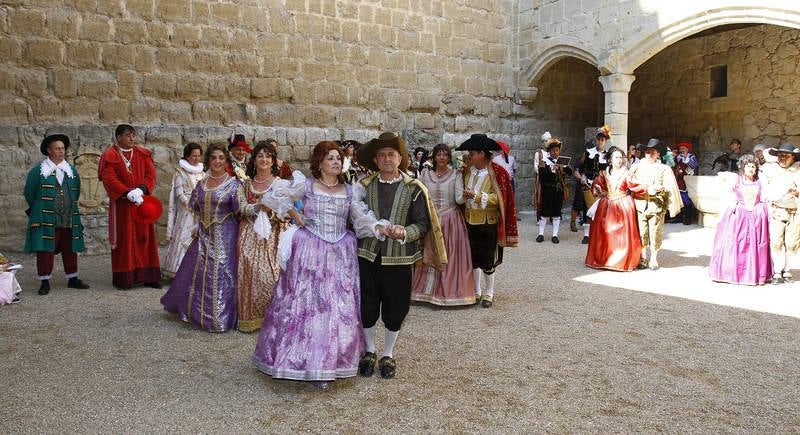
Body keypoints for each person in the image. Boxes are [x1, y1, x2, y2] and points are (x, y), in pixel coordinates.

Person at [252, 141, 381, 388]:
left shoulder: (351, 190)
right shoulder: (307, 185)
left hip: (340, 251)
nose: (335, 162)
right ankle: (299, 361)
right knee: (303, 305)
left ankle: (331, 362)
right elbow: (276, 196)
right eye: (330, 157)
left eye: (338, 158)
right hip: (309, 249)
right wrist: (296, 216)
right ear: (319, 161)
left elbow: (361, 218)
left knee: (336, 306)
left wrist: (379, 227)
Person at [355, 132, 446, 379]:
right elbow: (352, 217)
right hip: (367, 255)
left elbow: (422, 224)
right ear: (375, 159)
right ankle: (370, 350)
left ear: (400, 158)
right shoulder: (363, 186)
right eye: (382, 155)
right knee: (368, 304)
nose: (387, 158)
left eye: (392, 154)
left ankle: (388, 353)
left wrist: (405, 232)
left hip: (400, 259)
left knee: (396, 308)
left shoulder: (414, 188)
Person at [160, 144, 244, 332]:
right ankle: (197, 314)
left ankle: (221, 318)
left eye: (221, 158)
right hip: (204, 234)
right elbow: (194, 206)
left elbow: (241, 210)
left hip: (226, 235)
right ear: (209, 161)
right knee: (199, 272)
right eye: (214, 158)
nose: (217, 161)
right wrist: (199, 224)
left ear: (226, 161)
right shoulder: (201, 184)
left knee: (222, 273)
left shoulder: (234, 184)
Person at [457, 134, 518, 307]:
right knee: (473, 259)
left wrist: (476, 196)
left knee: (487, 260)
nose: (469, 155)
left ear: (482, 154)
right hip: (469, 220)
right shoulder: (467, 170)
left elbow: (500, 199)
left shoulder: (498, 172)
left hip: (487, 222)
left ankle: (489, 293)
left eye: (473, 152)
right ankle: (476, 291)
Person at [24, 134, 90, 295]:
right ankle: (45, 281)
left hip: (68, 216)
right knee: (45, 249)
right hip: (46, 218)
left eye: (63, 148)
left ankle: (72, 278)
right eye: (57, 148)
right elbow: (29, 193)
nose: (61, 151)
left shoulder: (72, 171)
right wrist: (41, 209)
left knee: (70, 248)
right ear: (49, 151)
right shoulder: (37, 172)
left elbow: (76, 192)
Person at [411, 143, 475, 306]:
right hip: (432, 219)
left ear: (449, 157)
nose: (441, 157)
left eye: (445, 154)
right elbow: (420, 196)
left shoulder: (456, 174)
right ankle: (425, 292)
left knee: (450, 254)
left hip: (450, 219)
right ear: (434, 157)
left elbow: (458, 198)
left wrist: (466, 196)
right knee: (430, 251)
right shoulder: (425, 174)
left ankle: (449, 293)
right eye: (439, 154)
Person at [98, 124, 161, 289]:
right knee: (125, 240)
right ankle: (125, 278)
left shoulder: (142, 153)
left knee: (145, 238)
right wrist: (126, 192)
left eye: (133, 135)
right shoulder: (110, 155)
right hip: (123, 206)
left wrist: (142, 189)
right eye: (128, 135)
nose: (132, 138)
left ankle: (149, 276)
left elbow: (151, 174)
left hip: (142, 203)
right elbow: (109, 178)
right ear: (118, 137)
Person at [236, 141, 288, 332]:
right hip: (249, 233)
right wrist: (257, 207)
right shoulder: (245, 183)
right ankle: (250, 319)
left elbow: (286, 210)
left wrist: (272, 212)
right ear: (254, 159)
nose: (264, 159)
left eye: (268, 156)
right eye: (260, 155)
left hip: (273, 234)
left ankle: (273, 318)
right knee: (249, 274)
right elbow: (241, 207)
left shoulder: (280, 183)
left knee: (272, 276)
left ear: (273, 160)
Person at [708, 155, 772, 285]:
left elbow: (765, 197)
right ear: (743, 167)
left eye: (753, 166)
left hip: (756, 216)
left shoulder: (760, 182)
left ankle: (754, 273)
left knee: (756, 244)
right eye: (748, 166)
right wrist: (731, 207)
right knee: (736, 243)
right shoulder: (736, 180)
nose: (751, 168)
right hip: (739, 215)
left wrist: (763, 211)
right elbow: (728, 195)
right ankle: (733, 272)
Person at [628, 139, 683, 270]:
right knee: (641, 232)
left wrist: (660, 188)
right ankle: (643, 258)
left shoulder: (664, 169)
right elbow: (630, 184)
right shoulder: (636, 167)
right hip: (640, 204)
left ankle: (653, 258)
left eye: (652, 152)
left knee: (655, 232)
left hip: (656, 205)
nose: (649, 154)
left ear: (658, 154)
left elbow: (669, 186)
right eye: (647, 152)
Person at [585, 147, 643, 271]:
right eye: (616, 157)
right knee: (605, 233)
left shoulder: (627, 173)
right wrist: (598, 188)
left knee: (621, 235)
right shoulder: (604, 173)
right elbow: (597, 184)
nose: (619, 160)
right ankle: (604, 259)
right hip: (607, 204)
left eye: (621, 157)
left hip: (623, 204)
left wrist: (649, 188)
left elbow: (636, 185)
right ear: (610, 159)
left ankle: (621, 261)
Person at [163, 143, 205, 278]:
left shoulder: (203, 173)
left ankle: (196, 272)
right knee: (184, 238)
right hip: (187, 211)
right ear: (187, 156)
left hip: (201, 211)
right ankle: (178, 271)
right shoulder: (180, 172)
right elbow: (179, 193)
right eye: (194, 155)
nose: (196, 158)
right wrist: (191, 204)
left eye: (198, 155)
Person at [761, 144, 800, 284]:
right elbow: (765, 190)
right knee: (776, 241)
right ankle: (777, 271)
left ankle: (787, 270)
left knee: (793, 243)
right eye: (780, 155)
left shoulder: (798, 170)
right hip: (777, 210)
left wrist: (797, 192)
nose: (782, 158)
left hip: (796, 211)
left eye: (786, 155)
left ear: (793, 157)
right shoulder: (769, 170)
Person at [572, 126, 610, 242]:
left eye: (602, 140)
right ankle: (586, 235)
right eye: (598, 139)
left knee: (600, 209)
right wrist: (582, 176)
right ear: (596, 140)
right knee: (587, 208)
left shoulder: (608, 156)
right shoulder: (588, 153)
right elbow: (579, 168)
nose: (600, 142)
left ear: (605, 141)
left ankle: (598, 233)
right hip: (587, 184)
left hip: (600, 186)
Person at [535, 138, 569, 243]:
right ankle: (541, 234)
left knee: (556, 213)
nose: (555, 152)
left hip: (558, 191)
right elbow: (541, 176)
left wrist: (562, 168)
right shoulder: (544, 162)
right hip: (547, 191)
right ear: (549, 151)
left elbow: (570, 171)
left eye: (557, 150)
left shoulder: (562, 162)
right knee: (544, 213)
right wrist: (553, 169)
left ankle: (555, 235)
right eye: (553, 150)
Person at [671, 141, 699, 225]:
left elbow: (694, 165)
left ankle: (688, 218)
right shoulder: (679, 157)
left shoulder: (691, 157)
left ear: (687, 149)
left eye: (683, 148)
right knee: (679, 198)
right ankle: (679, 217)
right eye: (680, 149)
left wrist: (686, 160)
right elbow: (673, 164)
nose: (681, 150)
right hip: (680, 179)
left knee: (687, 199)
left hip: (688, 179)